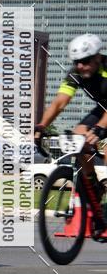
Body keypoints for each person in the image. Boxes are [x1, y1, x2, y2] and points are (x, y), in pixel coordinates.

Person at [35, 33, 107, 228]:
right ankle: (93, 185)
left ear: (98, 58)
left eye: (85, 61)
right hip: (102, 109)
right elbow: (59, 103)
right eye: (77, 62)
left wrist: (100, 128)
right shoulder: (75, 74)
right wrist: (41, 126)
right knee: (79, 136)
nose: (80, 66)